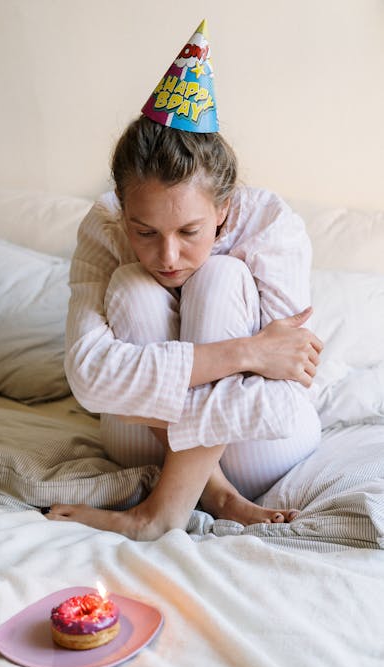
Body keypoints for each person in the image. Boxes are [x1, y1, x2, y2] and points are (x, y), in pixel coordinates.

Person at [45, 21, 323, 540]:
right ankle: (212, 493)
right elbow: (86, 377)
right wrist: (247, 353)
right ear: (122, 207)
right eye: (144, 230)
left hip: (259, 446)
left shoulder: (269, 225)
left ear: (223, 209)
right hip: (140, 444)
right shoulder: (103, 227)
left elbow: (284, 403)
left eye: (189, 231)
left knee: (219, 276)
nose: (168, 256)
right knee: (131, 285)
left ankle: (160, 511)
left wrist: (138, 383)